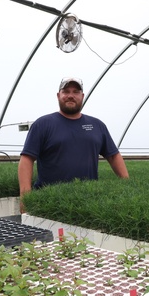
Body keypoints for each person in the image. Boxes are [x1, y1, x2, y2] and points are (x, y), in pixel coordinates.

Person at [18, 76, 129, 212]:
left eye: (76, 92)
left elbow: (113, 156)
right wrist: (25, 197)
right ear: (58, 96)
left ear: (82, 96)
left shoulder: (97, 125)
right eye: (66, 92)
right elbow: (27, 159)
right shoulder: (43, 124)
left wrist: (127, 185)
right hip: (48, 201)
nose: (71, 96)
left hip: (89, 200)